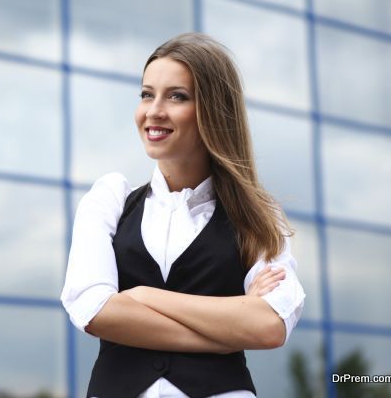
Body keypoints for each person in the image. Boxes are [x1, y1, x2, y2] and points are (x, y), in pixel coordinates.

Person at [60, 32, 305, 398]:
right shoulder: (110, 199)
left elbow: (269, 326)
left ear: (214, 110)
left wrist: (143, 296)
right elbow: (93, 311)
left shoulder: (257, 215)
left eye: (177, 96)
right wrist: (225, 332)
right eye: (147, 94)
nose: (153, 111)